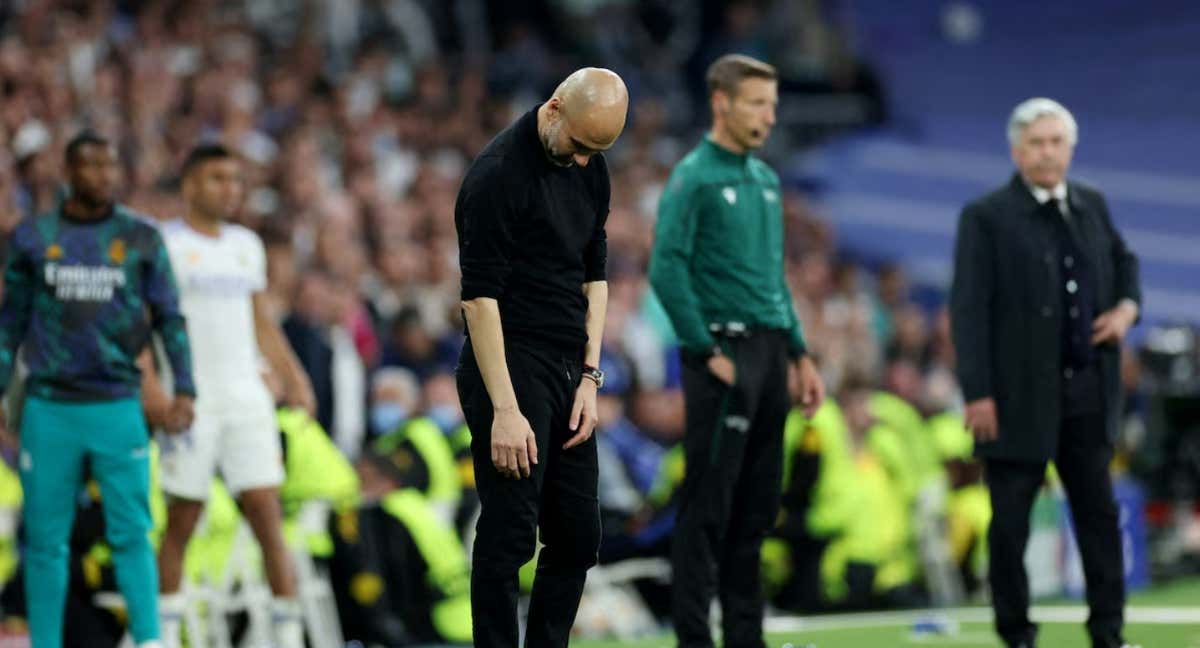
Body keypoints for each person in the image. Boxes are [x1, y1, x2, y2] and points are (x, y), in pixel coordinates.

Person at [950, 98, 1141, 648]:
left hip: (1086, 391)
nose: (1047, 152)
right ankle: (1017, 635)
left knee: (1099, 519)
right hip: (1014, 400)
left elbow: (1125, 263)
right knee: (1009, 525)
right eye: (1036, 142)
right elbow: (968, 309)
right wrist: (978, 392)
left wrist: (1127, 308)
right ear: (1016, 150)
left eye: (1056, 142)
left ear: (1071, 148)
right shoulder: (986, 217)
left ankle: (1109, 633)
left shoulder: (1092, 205)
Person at [648, 53, 825, 648]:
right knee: (707, 510)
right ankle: (695, 638)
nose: (769, 117)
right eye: (757, 103)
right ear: (721, 102)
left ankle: (746, 637)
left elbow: (773, 281)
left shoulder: (766, 181)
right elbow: (665, 269)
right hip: (723, 352)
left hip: (772, 353)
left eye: (772, 105)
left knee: (757, 509)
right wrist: (702, 346)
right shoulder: (693, 177)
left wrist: (800, 355)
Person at [453, 67, 628, 647]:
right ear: (553, 110)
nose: (584, 161)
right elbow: (478, 300)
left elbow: (595, 277)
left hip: (566, 366)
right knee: (510, 535)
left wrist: (589, 378)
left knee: (578, 536)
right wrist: (504, 408)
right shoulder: (497, 176)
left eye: (597, 151)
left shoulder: (589, 163)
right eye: (580, 145)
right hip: (509, 359)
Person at [0, 132, 196, 648]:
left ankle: (149, 641)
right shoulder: (32, 237)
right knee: (45, 542)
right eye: (91, 166)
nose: (104, 176)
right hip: (50, 407)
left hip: (117, 404)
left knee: (133, 533)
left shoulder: (141, 238)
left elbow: (171, 317)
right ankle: (46, 643)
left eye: (111, 165)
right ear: (69, 171)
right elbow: (10, 324)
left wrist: (186, 389)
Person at [142, 143, 316, 648]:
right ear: (191, 184)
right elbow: (143, 324)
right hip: (190, 399)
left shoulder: (246, 244)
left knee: (266, 512)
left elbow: (260, 318)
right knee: (183, 517)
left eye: (236, 180)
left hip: (245, 399)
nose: (230, 189)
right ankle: (163, 635)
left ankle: (285, 635)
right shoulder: (163, 244)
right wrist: (152, 387)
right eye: (218, 178)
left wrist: (295, 376)